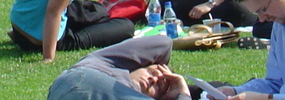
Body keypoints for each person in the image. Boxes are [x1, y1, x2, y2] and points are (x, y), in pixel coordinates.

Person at [46, 35, 189, 100]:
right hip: (83, 79)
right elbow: (163, 42)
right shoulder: (106, 63)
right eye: (151, 71)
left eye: (159, 86)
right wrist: (183, 96)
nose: (153, 79)